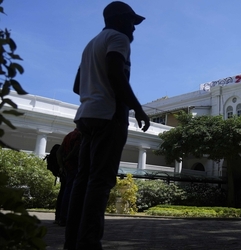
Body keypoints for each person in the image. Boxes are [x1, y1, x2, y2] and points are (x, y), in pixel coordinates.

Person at [64, 2, 150, 249]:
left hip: (86, 116)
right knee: (100, 182)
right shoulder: (119, 38)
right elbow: (115, 73)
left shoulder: (92, 44)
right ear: (122, 20)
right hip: (109, 116)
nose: (134, 30)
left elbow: (76, 85)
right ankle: (89, 243)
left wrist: (94, 92)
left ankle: (73, 242)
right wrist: (137, 108)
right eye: (132, 23)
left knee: (83, 181)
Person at [56, 128, 82, 226]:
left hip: (68, 168)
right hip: (76, 167)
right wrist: (67, 159)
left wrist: (62, 165)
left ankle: (62, 217)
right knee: (73, 192)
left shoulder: (68, 135)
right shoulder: (79, 135)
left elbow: (58, 152)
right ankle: (69, 218)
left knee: (66, 191)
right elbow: (75, 150)